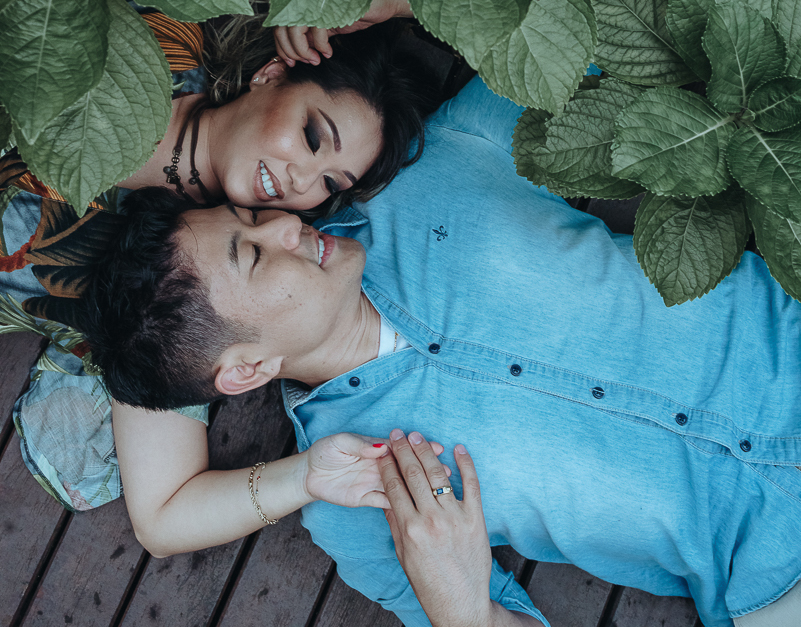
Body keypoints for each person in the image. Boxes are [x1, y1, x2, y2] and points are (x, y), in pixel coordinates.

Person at [81, 75, 801, 627]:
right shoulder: (356, 508)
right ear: (247, 369)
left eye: (253, 217)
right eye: (254, 256)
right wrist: (464, 610)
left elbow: (571, 33)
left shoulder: (430, 167)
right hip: (775, 578)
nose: (287, 228)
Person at [3, 0, 444, 509]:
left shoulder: (182, 286)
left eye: (330, 183)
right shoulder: (167, 34)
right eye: (310, 136)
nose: (302, 183)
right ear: (270, 74)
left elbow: (138, 498)